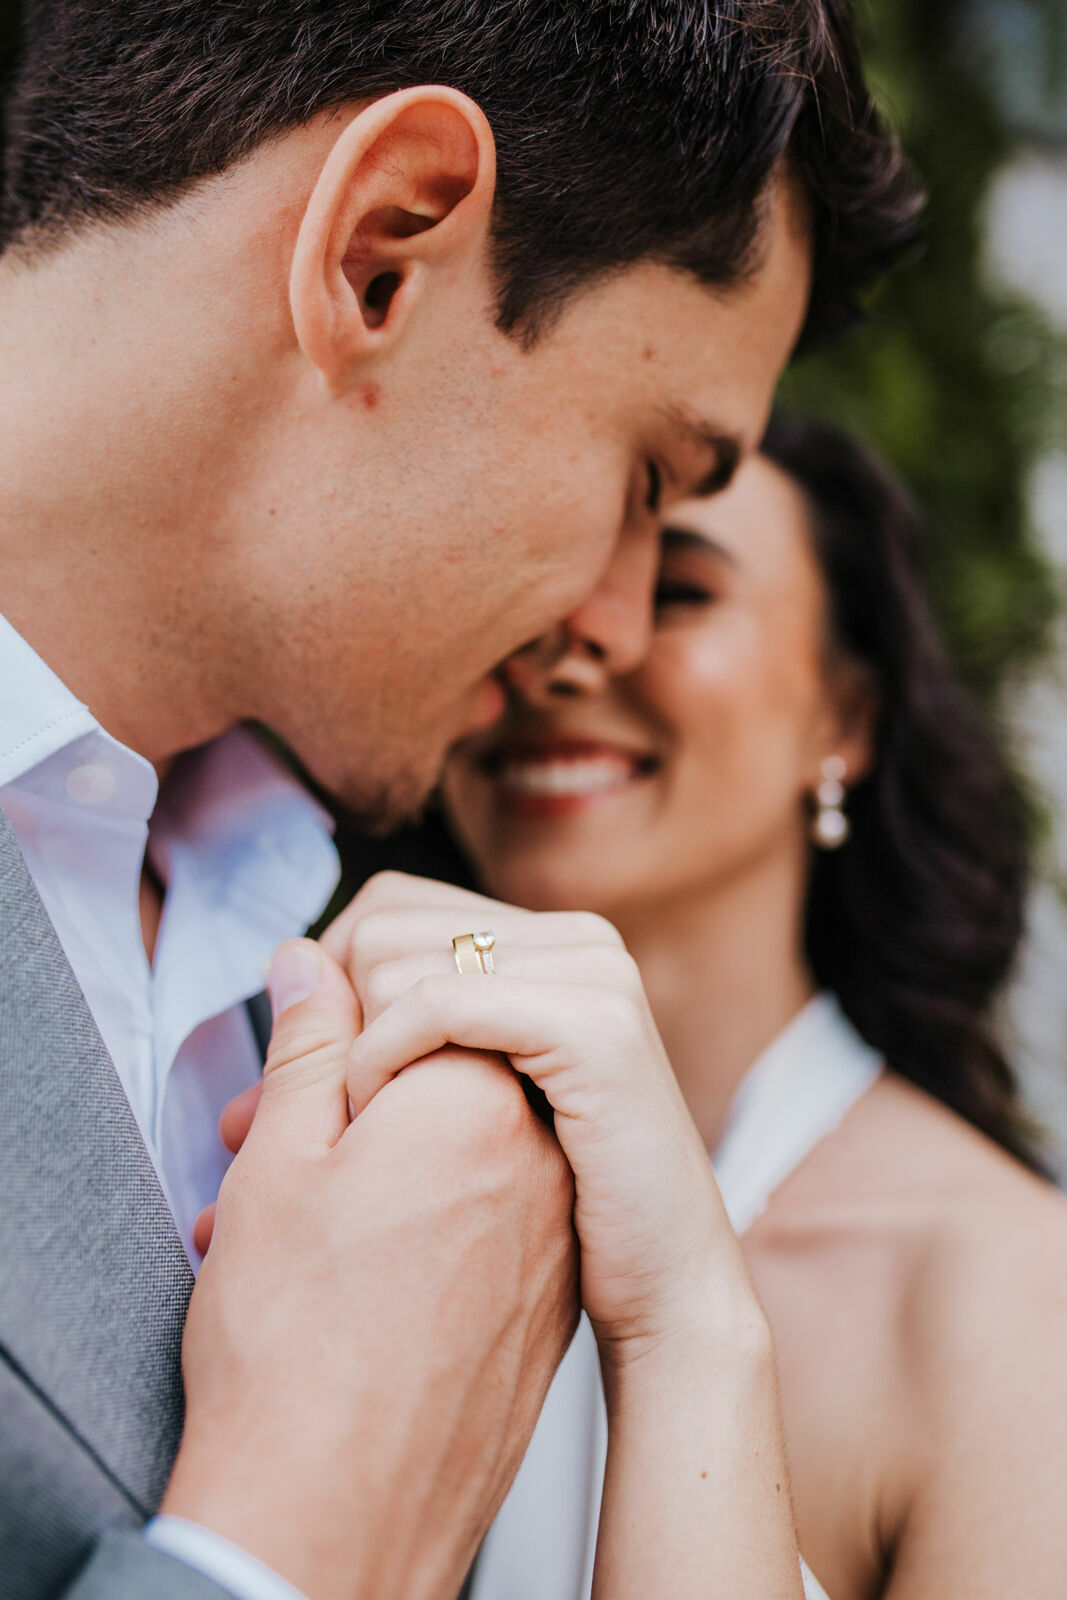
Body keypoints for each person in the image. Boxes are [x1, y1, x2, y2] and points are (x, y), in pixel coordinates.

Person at [0, 4, 922, 1598]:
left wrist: (688, 1333)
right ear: (386, 249)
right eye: (650, 475)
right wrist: (286, 1549)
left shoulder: (317, 929)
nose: (617, 627)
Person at [355, 417, 1067, 1597]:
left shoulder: (1006, 1297)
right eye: (533, 591)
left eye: (678, 591)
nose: (567, 651)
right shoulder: (320, 1137)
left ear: (842, 716)